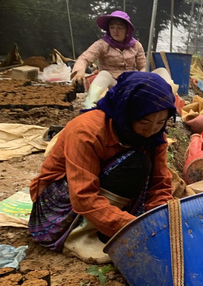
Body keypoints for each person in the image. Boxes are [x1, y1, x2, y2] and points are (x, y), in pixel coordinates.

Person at [28, 72, 177, 257]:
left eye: (160, 122)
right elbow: (83, 196)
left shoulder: (156, 137)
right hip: (63, 202)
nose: (151, 130)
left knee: (141, 164)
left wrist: (160, 220)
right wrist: (134, 227)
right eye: (144, 121)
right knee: (136, 164)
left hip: (103, 189)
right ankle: (80, 235)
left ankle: (109, 226)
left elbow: (159, 184)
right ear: (125, 112)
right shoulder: (86, 132)